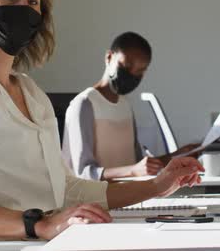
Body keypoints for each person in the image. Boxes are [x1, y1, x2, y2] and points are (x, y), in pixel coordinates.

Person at [0, 0, 204, 243]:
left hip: (53, 239)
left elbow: (66, 189)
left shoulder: (30, 91)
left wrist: (156, 186)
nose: (22, 8)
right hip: (5, 245)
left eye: (32, 2)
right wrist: (39, 224)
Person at [62, 32, 200, 181]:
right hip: (92, 201)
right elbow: (83, 173)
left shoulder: (125, 105)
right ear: (109, 57)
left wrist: (178, 155)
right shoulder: (84, 104)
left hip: (124, 197)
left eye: (140, 72)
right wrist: (133, 171)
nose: (132, 75)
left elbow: (137, 165)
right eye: (126, 66)